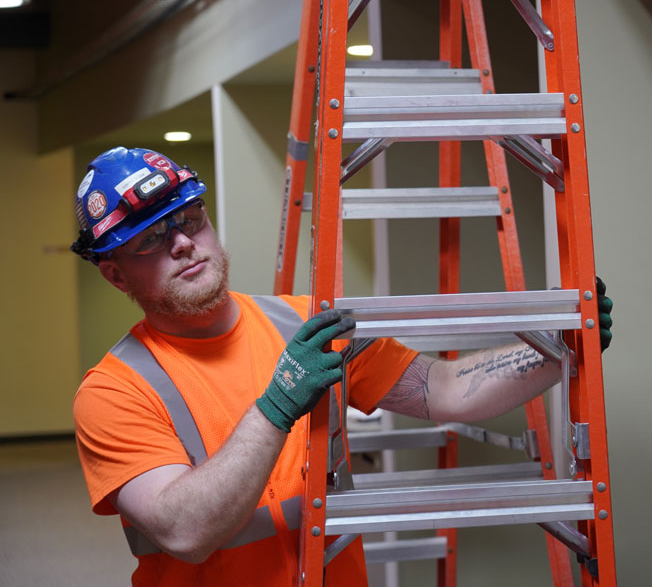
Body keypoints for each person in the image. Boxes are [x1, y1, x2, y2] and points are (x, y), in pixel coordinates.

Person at [70, 147, 612, 586]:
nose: (184, 242)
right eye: (152, 239)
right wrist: (278, 404)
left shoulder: (304, 325)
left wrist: (558, 349)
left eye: (190, 218)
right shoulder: (114, 392)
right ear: (117, 276)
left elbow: (445, 390)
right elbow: (185, 530)